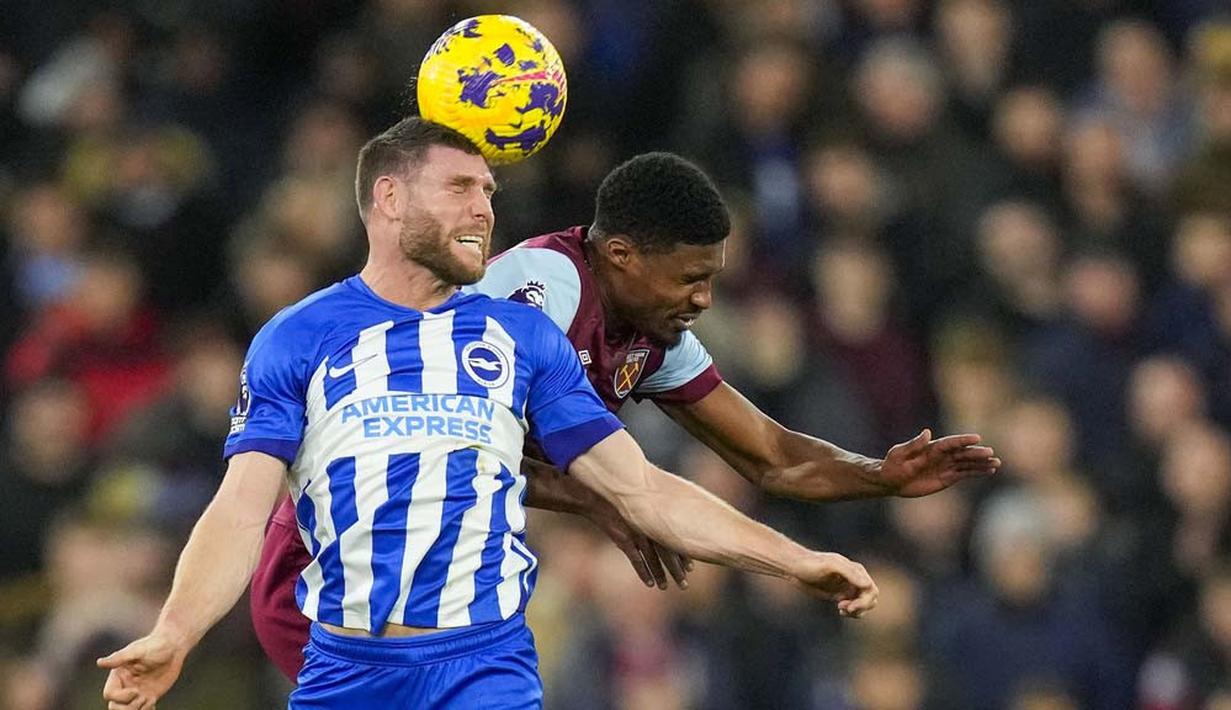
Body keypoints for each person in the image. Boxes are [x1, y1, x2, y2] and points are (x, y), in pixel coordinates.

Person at [97, 118, 880, 709]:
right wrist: (175, 632)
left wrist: (793, 559)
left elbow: (640, 488)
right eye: (460, 189)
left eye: (490, 193)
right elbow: (238, 511)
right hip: (342, 666)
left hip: (483, 665)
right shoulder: (298, 338)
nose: (484, 209)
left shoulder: (521, 337)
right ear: (389, 197)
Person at [249, 150, 1002, 679]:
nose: (703, 299)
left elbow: (771, 456)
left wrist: (878, 475)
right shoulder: (540, 292)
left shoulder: (650, 335)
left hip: (444, 583)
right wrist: (604, 500)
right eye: (690, 278)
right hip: (340, 562)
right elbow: (452, 445)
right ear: (619, 254)